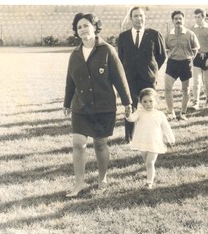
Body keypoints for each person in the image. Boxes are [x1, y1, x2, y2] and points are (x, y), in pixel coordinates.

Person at [63, 13, 132, 197]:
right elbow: (70, 81)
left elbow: (120, 78)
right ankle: (79, 183)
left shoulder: (107, 50)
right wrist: (67, 102)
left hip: (103, 106)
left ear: (95, 27)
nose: (83, 29)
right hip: (80, 107)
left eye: (86, 25)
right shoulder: (75, 54)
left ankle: (103, 178)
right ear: (76, 33)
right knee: (78, 144)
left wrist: (127, 102)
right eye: (79, 27)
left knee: (100, 144)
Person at [117, 6, 167, 143]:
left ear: (145, 17)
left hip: (148, 78)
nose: (139, 18)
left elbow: (161, 56)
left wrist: (151, 69)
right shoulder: (123, 37)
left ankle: (152, 135)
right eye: (136, 16)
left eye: (141, 15)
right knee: (130, 106)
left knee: (150, 106)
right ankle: (129, 137)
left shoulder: (154, 34)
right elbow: (120, 59)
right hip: (130, 78)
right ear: (131, 19)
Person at [126, 88, 175, 189]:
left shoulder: (160, 115)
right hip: (142, 141)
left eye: (151, 101)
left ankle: (149, 183)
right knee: (147, 162)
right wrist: (128, 114)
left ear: (156, 101)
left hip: (154, 142)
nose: (148, 104)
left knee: (150, 162)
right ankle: (150, 173)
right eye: (144, 101)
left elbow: (166, 128)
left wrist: (171, 139)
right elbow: (131, 119)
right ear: (140, 102)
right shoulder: (140, 112)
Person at [164, 10, 200, 121]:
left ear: (183, 20)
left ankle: (183, 113)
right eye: (176, 19)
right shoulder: (168, 34)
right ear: (172, 21)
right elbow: (166, 49)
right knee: (167, 89)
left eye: (180, 18)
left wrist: (188, 58)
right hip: (172, 64)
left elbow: (195, 49)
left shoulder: (190, 34)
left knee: (186, 90)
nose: (178, 21)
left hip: (186, 63)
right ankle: (172, 113)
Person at [190, 8, 208, 110]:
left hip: (207, 56)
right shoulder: (192, 29)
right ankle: (195, 102)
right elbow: (190, 45)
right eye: (196, 17)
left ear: (204, 17)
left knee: (207, 80)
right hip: (196, 56)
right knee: (196, 81)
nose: (197, 19)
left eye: (199, 17)